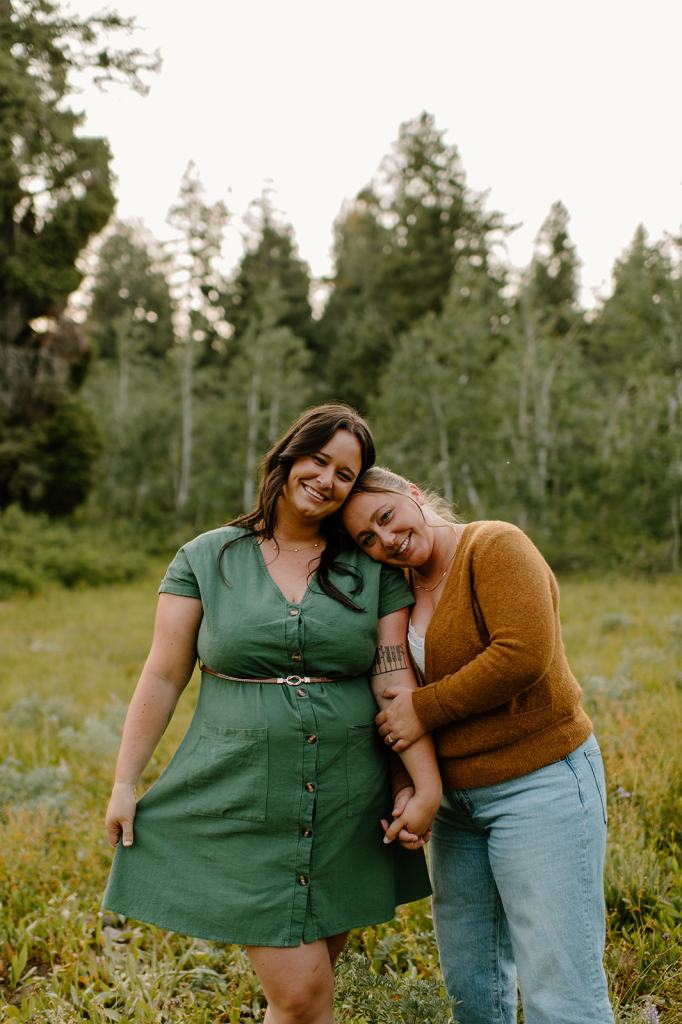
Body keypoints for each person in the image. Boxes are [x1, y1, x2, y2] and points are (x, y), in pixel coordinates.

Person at [103, 406, 441, 1024]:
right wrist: (126, 782)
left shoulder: (369, 564)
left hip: (347, 799)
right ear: (289, 457)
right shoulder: (207, 557)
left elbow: (394, 676)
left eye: (347, 473)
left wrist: (421, 780)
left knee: (301, 999)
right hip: (239, 793)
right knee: (303, 996)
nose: (328, 480)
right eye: (319, 460)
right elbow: (163, 673)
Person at [342, 466, 615, 1024]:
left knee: (560, 994)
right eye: (367, 539)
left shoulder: (494, 545)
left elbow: (521, 654)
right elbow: (393, 698)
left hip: (540, 784)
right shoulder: (396, 589)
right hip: (454, 809)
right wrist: (406, 784)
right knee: (471, 991)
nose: (385, 540)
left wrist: (424, 709)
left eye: (386, 517)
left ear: (412, 495)